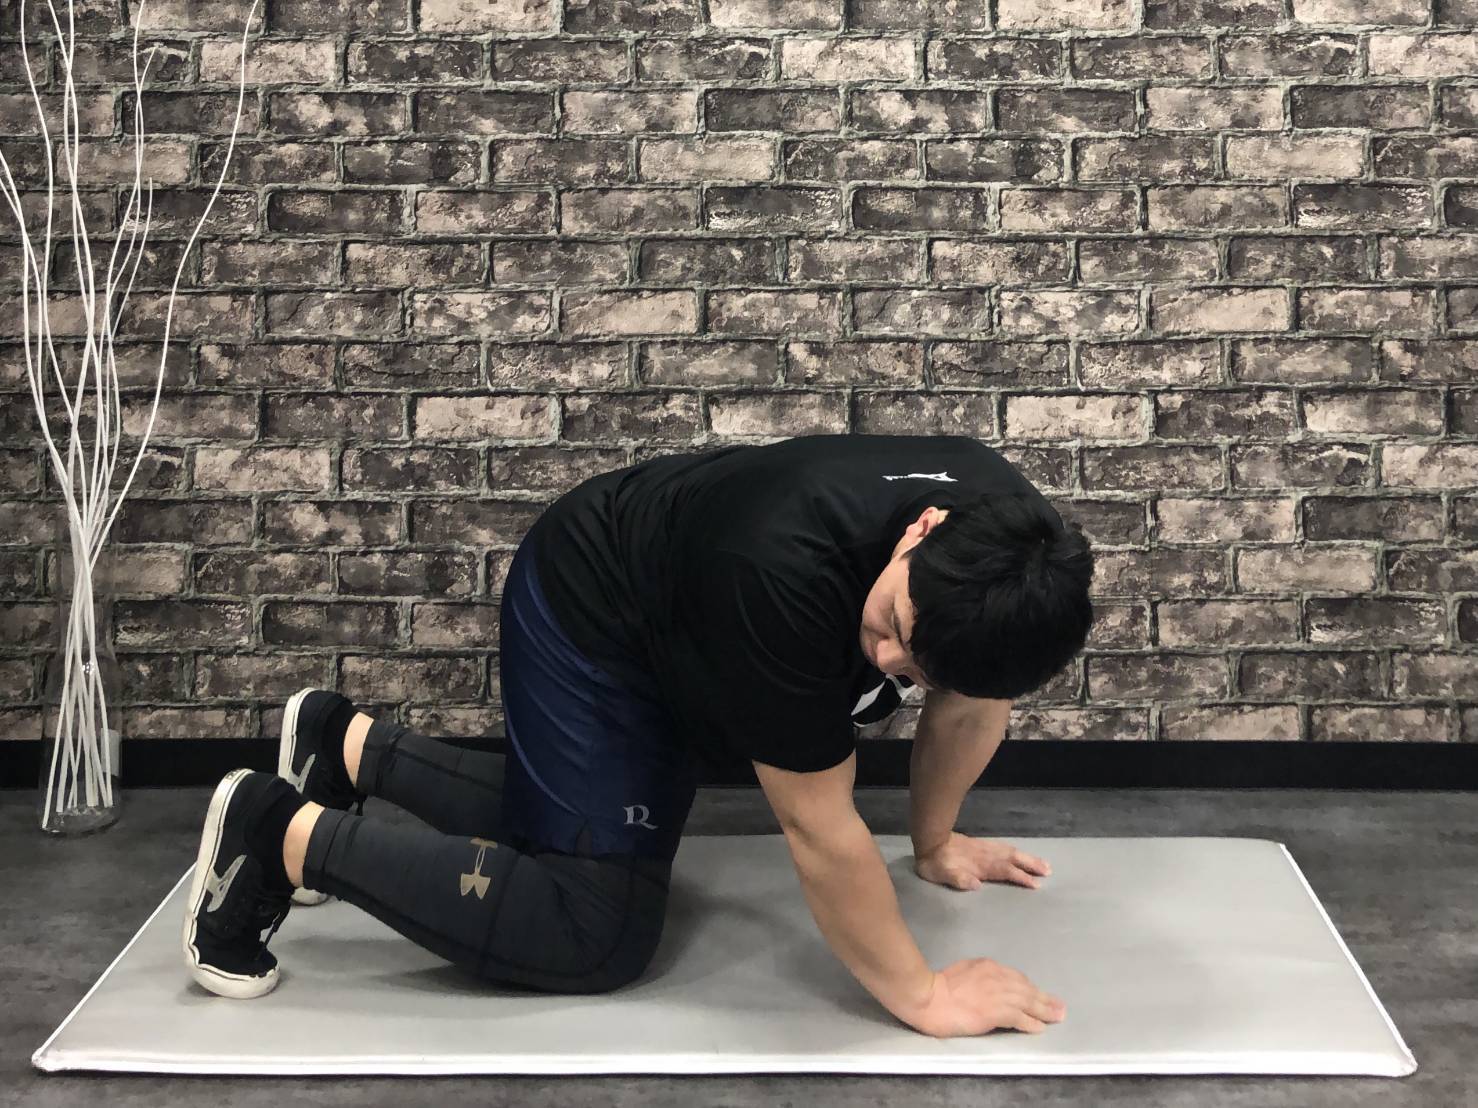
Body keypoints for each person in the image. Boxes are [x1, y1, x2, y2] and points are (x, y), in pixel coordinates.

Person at [181, 433, 1094, 1034]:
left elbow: (971, 702)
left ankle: (341, 748)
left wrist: (935, 842)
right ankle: (275, 834)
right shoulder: (786, 574)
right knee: (595, 930)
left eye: (916, 667)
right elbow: (821, 832)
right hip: (596, 607)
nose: (886, 658)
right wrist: (925, 996)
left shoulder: (1013, 556)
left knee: (593, 831)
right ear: (922, 529)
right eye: (893, 621)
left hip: (685, 608)